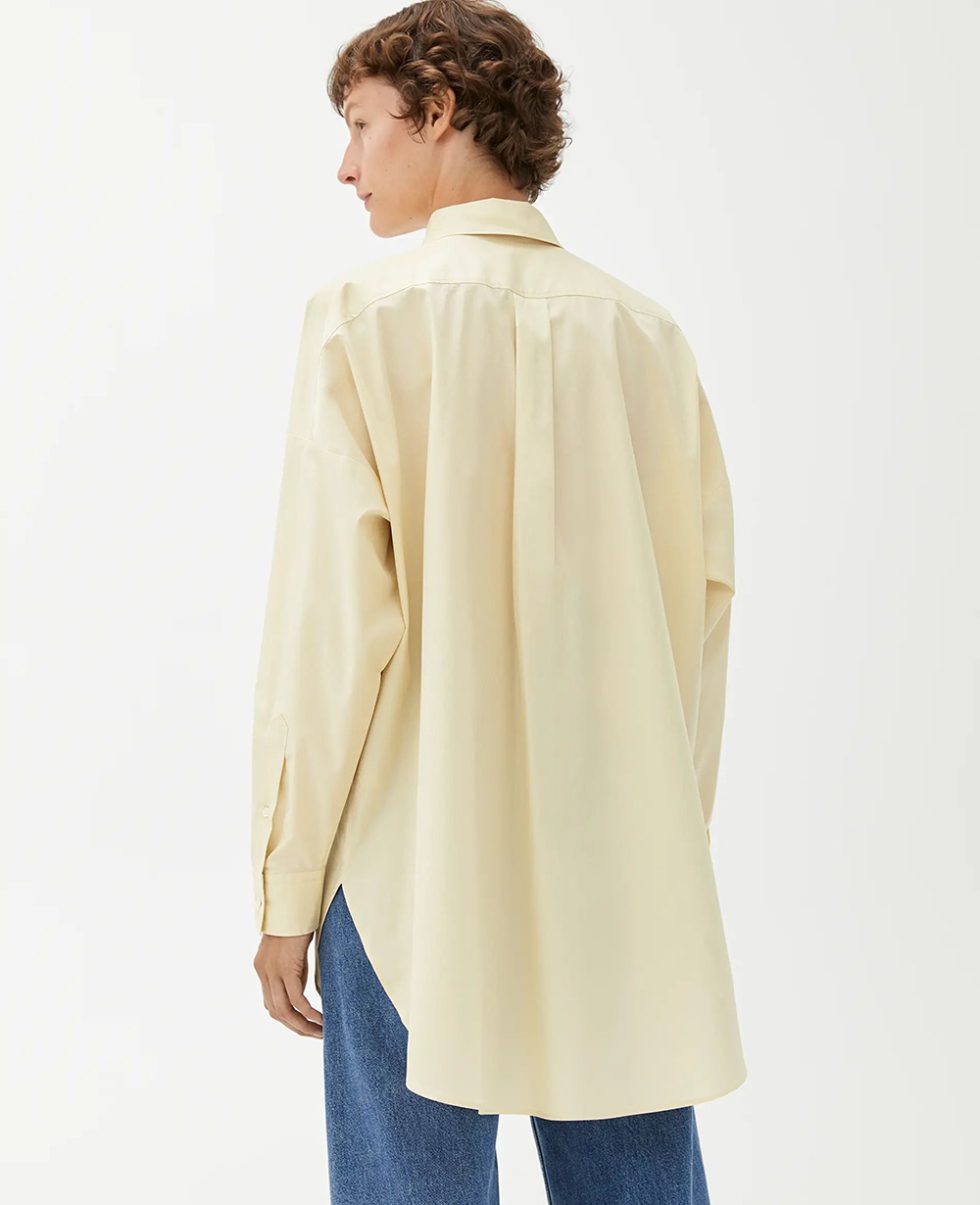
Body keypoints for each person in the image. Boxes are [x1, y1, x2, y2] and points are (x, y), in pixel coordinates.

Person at [249, 2, 747, 1201]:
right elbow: (698, 618)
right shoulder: (644, 335)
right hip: (618, 850)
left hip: (408, 856)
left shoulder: (364, 320)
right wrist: (666, 830)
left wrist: (285, 887)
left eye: (362, 124)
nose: (346, 164)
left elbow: (330, 634)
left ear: (438, 113)